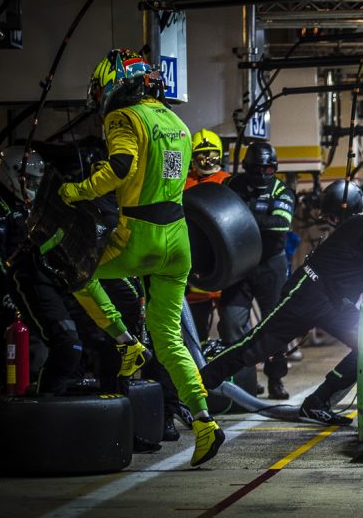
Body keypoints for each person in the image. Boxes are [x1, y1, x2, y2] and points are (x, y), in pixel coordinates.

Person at [59, 48, 223, 466]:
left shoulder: (123, 118)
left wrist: (74, 191)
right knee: (169, 338)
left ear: (113, 83)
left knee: (76, 271)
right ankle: (205, 420)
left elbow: (120, 167)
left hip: (140, 236)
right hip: (178, 241)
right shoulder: (177, 122)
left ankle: (124, 342)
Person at [201, 184, 363, 425]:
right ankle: (193, 392)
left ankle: (317, 403)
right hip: (309, 292)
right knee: (253, 348)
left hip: (335, 303)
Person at [0, 146, 85, 395]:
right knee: (12, 347)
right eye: (29, 180)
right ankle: (16, 393)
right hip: (10, 290)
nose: (33, 185)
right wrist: (6, 288)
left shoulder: (34, 206)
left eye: (36, 181)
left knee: (58, 342)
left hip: (40, 284)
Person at [218, 141, 296, 399]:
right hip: (238, 264)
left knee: (276, 324)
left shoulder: (282, 191)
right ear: (246, 167)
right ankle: (245, 378)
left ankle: (276, 379)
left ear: (274, 169)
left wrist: (240, 217)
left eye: (268, 169)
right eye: (257, 169)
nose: (262, 174)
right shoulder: (231, 185)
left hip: (270, 265)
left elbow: (279, 224)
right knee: (231, 322)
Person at [183, 129, 230, 340]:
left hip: (224, 257)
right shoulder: (185, 182)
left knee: (231, 324)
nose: (207, 159)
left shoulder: (228, 181)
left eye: (211, 153)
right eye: (201, 154)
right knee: (196, 327)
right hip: (195, 260)